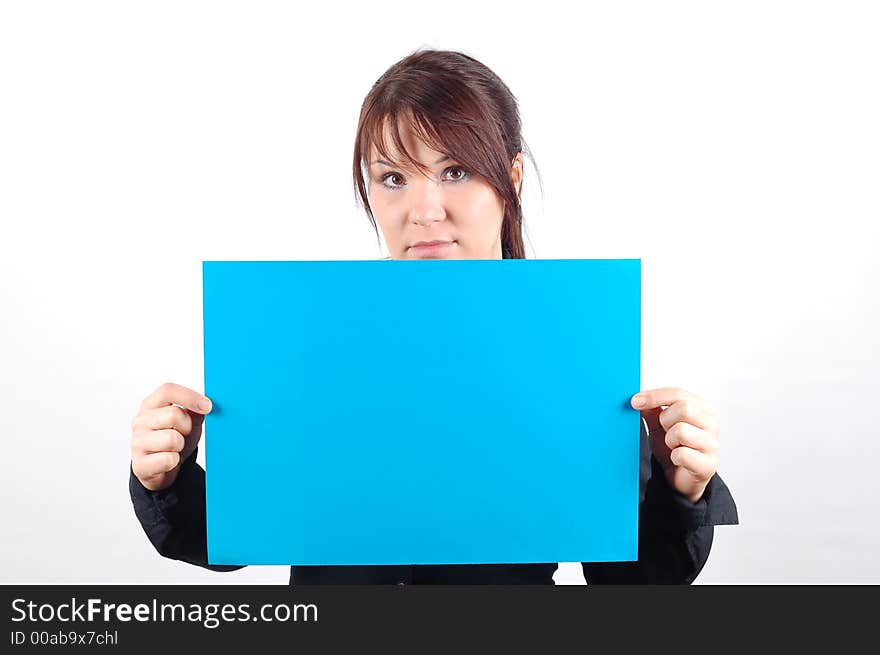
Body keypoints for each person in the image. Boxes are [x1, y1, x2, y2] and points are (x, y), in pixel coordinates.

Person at [129, 49, 738, 585]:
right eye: (392, 178)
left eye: (455, 171)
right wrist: (168, 477)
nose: (422, 209)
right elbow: (236, 537)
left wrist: (679, 486)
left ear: (512, 180)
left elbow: (632, 582)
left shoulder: (569, 345)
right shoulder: (305, 339)